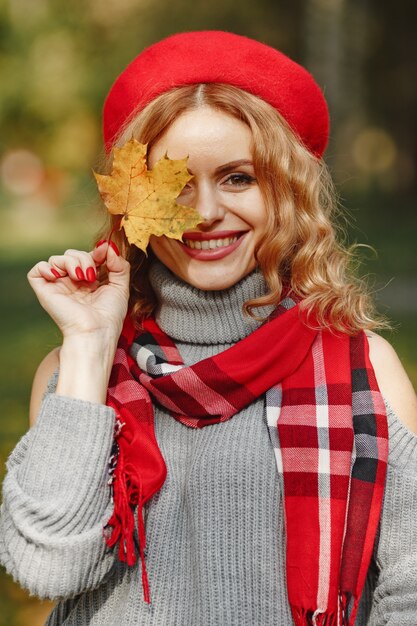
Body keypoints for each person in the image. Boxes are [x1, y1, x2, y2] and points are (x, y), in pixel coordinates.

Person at [1, 30, 417, 626]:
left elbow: (409, 590)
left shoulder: (362, 369)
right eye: (173, 185)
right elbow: (50, 570)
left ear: (288, 192)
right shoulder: (75, 374)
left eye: (238, 178)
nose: (204, 213)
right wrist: (91, 347)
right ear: (133, 200)